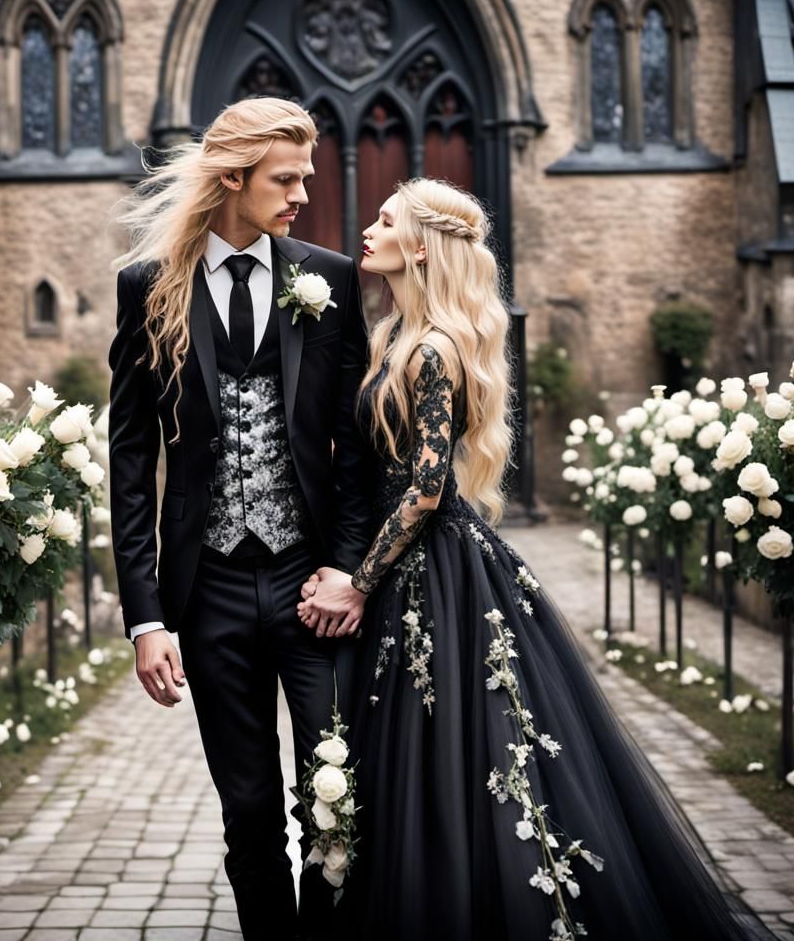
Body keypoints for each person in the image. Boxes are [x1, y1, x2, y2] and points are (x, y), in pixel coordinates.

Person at [297, 178, 768, 940]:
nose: (368, 229)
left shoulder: (437, 350)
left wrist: (358, 579)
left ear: (419, 246)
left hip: (434, 570)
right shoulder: (394, 337)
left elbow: (423, 492)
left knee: (470, 750)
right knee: (420, 753)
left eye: (384, 221)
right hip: (410, 571)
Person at [107, 97, 372, 941]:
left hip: (311, 587)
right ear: (234, 178)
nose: (301, 195)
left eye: (305, 178)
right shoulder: (148, 289)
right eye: (286, 179)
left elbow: (357, 450)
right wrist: (147, 619)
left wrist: (352, 570)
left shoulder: (327, 279)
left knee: (332, 800)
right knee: (250, 810)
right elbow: (129, 464)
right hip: (211, 590)